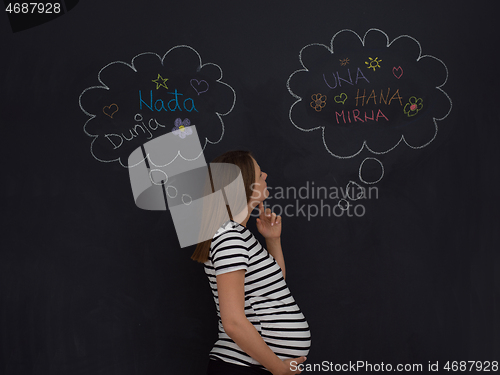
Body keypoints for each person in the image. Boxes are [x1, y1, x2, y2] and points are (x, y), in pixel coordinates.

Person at [191, 150, 311, 375]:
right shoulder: (229, 237)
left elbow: (273, 290)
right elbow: (233, 322)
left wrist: (272, 240)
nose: (265, 174)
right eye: (258, 174)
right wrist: (279, 369)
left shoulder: (239, 235)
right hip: (243, 368)